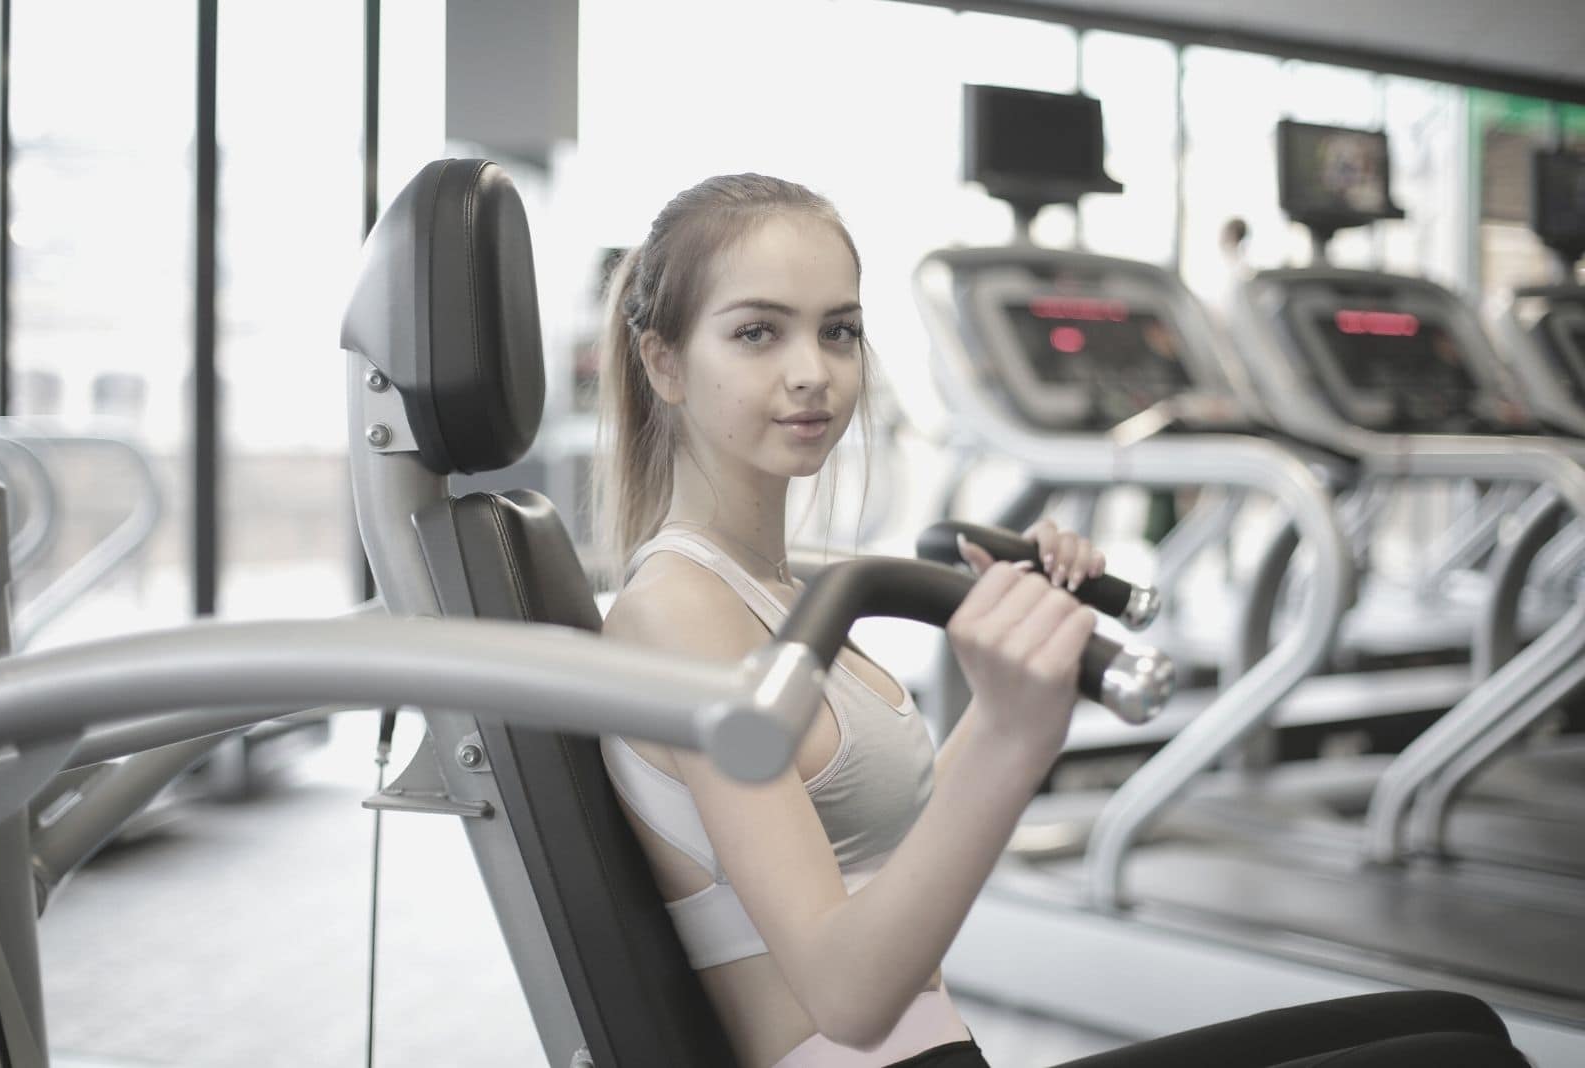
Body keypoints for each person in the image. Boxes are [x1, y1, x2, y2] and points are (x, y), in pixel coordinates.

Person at [592, 174, 1530, 1068]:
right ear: (664, 361)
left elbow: (887, 854)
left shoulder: (779, 589)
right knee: (1455, 1059)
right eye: (758, 333)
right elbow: (847, 995)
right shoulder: (679, 610)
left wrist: (1017, 660)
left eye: (838, 332)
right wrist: (1009, 731)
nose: (813, 372)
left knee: (1461, 1022)